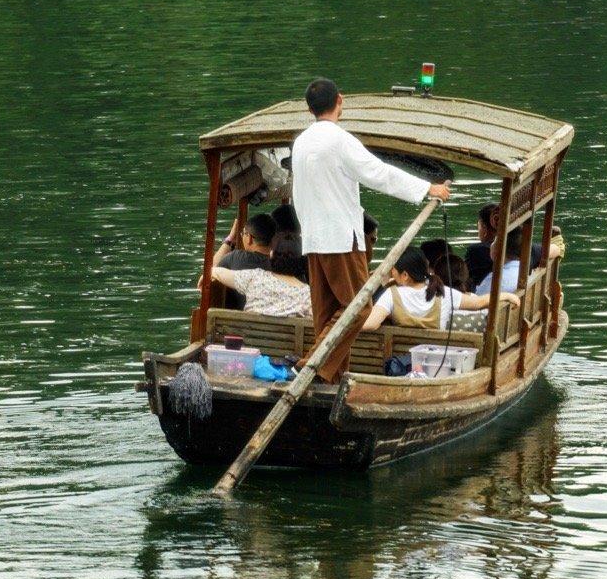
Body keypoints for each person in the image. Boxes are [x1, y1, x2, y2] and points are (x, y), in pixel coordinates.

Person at [291, 76, 450, 381]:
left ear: (309, 108)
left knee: (326, 315)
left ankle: (332, 377)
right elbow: (378, 173)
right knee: (358, 309)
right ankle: (313, 362)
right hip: (340, 238)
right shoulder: (339, 139)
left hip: (313, 238)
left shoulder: (300, 143)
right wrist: (427, 189)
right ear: (340, 101)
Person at [361, 247, 516, 334]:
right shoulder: (443, 292)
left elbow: (370, 324)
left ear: (405, 275)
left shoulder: (391, 295)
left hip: (399, 360)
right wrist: (507, 295)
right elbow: (478, 303)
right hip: (436, 356)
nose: (391, 272)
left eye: (393, 269)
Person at [202, 229, 312, 319]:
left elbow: (218, 272)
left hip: (248, 343)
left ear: (271, 255)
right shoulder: (308, 294)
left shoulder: (255, 277)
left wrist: (211, 272)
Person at [465, 203, 543, 289]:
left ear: (484, 227)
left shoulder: (476, 251)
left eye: (479, 226)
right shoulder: (526, 250)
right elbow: (552, 249)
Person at [475, 226, 563, 296]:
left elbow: (477, 304)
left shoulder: (492, 281)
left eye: (495, 241)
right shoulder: (526, 271)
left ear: (497, 250)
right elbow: (556, 249)